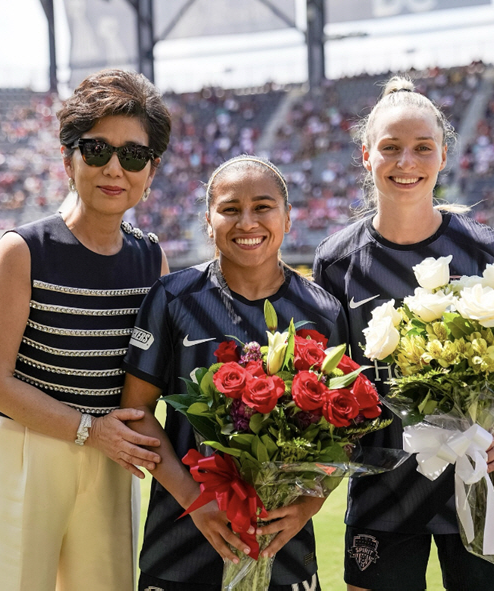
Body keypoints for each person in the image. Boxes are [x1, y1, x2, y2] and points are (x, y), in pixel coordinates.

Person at [313, 77, 494, 591]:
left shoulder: (487, 250)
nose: (406, 162)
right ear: (367, 156)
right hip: (382, 480)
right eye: (390, 149)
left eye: (422, 148)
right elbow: (330, 376)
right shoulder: (336, 259)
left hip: (481, 473)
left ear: (443, 156)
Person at [0, 69, 171, 591]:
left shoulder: (152, 259)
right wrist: (88, 429)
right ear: (68, 157)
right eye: (96, 149)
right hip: (21, 450)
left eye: (133, 155)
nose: (114, 168)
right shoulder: (24, 250)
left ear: (152, 171)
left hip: (109, 456)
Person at [121, 155, 349, 591]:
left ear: (287, 219)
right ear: (209, 221)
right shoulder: (171, 298)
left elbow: (346, 431)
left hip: (282, 539)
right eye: (229, 209)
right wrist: (196, 500)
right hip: (183, 535)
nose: (247, 222)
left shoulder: (322, 311)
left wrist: (307, 505)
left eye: (263, 207)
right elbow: (136, 411)